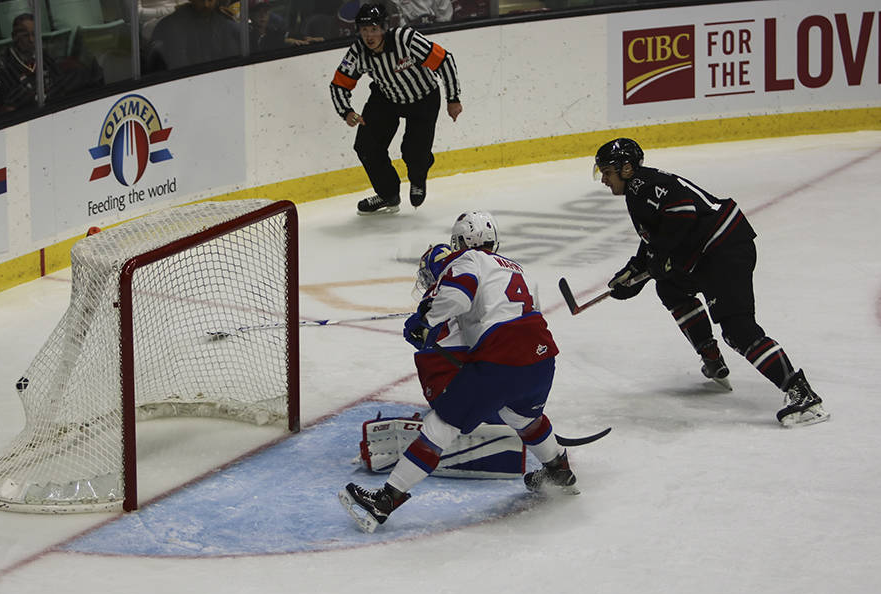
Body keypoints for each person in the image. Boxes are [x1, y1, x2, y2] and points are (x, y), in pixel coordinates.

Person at [339, 211, 577, 533]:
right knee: (523, 417)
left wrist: (425, 323)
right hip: (542, 358)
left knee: (440, 426)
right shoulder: (512, 266)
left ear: (461, 241)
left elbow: (456, 295)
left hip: (502, 360)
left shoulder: (467, 260)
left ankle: (384, 501)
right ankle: (559, 468)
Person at [594, 137, 829, 427]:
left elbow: (682, 214)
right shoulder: (638, 189)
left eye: (607, 171)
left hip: (724, 248)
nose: (604, 179)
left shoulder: (644, 184)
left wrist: (658, 260)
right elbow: (657, 241)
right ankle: (712, 358)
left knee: (738, 330)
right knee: (669, 287)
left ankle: (802, 394)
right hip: (708, 253)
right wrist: (634, 273)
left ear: (626, 169)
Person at [329, 2, 461, 215]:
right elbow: (338, 84)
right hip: (386, 98)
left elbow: (444, 60)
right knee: (366, 146)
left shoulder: (405, 39)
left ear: (384, 27)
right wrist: (346, 111)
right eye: (364, 30)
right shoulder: (358, 51)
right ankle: (388, 194)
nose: (369, 36)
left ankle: (418, 178)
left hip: (423, 98)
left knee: (414, 152)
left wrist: (453, 98)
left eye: (373, 29)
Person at [0, 14, 90, 114]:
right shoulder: (0, 67)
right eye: (26, 36)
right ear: (14, 37)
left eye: (34, 34)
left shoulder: (43, 56)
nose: (31, 40)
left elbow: (59, 83)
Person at [147, 0, 242, 71]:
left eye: (210, 0)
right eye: (201, 0)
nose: (206, 5)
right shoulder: (170, 27)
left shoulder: (227, 26)